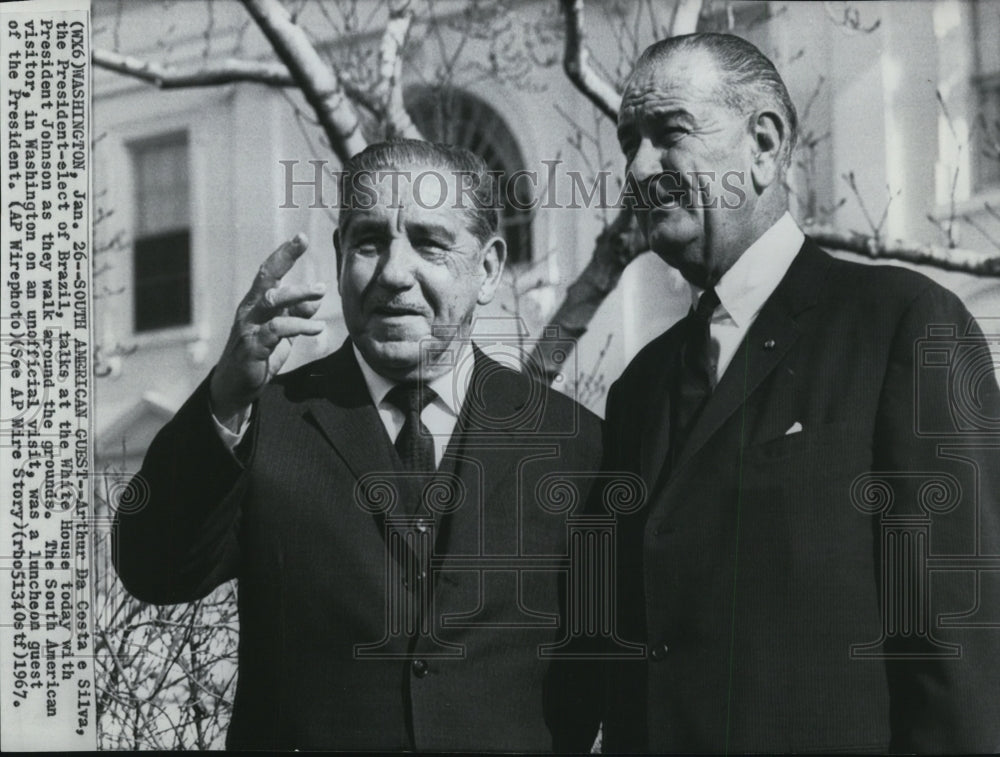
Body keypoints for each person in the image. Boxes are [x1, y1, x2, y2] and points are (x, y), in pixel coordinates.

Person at [113, 140, 602, 751]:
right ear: (340, 254)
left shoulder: (573, 444)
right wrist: (223, 399)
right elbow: (155, 570)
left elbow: (593, 680)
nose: (394, 273)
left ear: (488, 269)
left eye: (429, 243)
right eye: (369, 242)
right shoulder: (266, 422)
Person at [601, 33, 1000, 753]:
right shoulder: (640, 386)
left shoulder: (904, 327)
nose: (636, 168)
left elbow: (957, 648)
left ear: (763, 144)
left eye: (668, 134)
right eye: (628, 141)